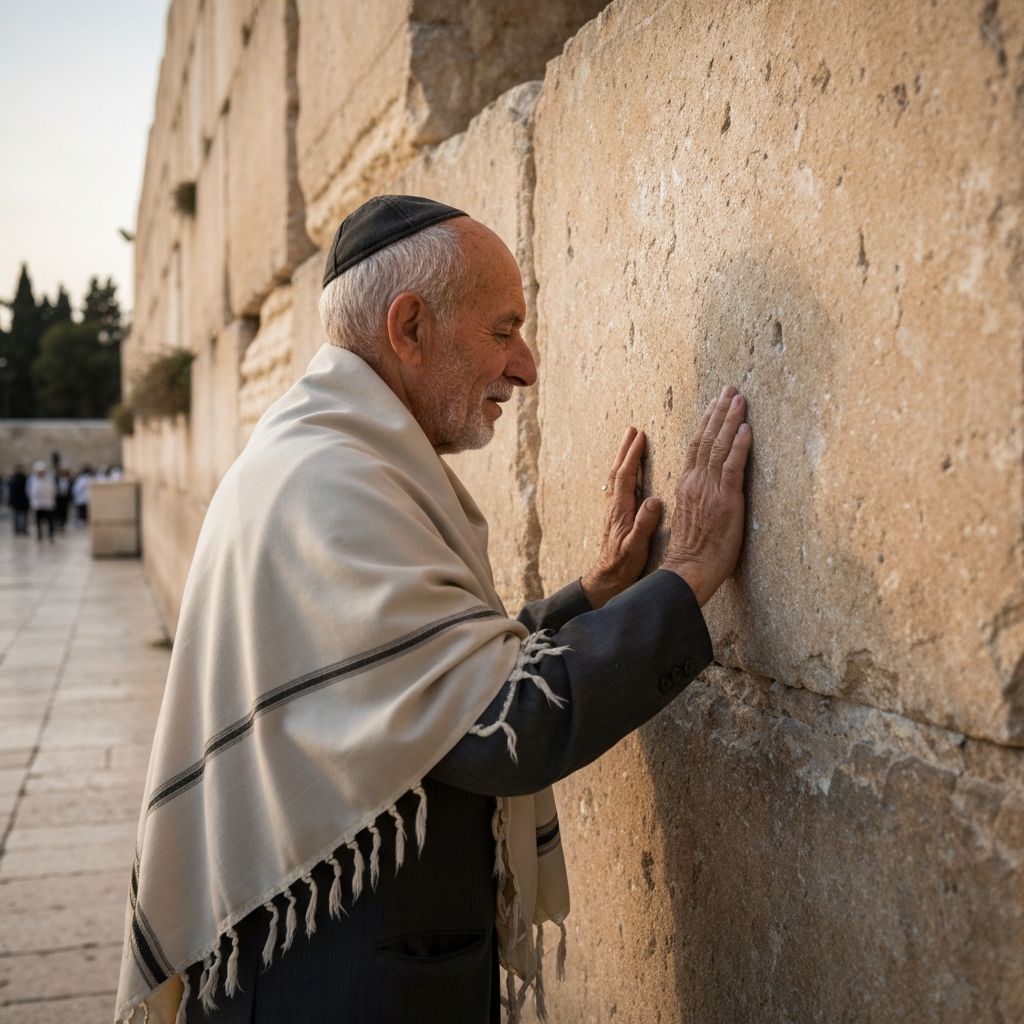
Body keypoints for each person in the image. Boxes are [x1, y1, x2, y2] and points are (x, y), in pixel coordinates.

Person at [115, 196, 752, 1024]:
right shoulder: (331, 485)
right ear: (409, 327)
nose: (525, 368)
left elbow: (414, 682)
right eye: (501, 331)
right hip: (328, 988)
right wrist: (692, 573)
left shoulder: (323, 453)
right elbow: (499, 729)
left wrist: (592, 596)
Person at [27, 461, 57, 543]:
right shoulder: (33, 480)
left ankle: (51, 536)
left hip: (48, 504)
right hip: (38, 504)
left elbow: (53, 491)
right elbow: (30, 491)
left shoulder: (49, 479)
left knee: (50, 522)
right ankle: (39, 536)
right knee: (38, 522)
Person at [8, 464, 29, 536]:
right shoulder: (13, 479)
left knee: (24, 516)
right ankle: (17, 529)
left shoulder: (25, 478)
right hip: (16, 501)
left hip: (24, 500)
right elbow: (11, 491)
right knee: (16, 516)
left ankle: (24, 529)